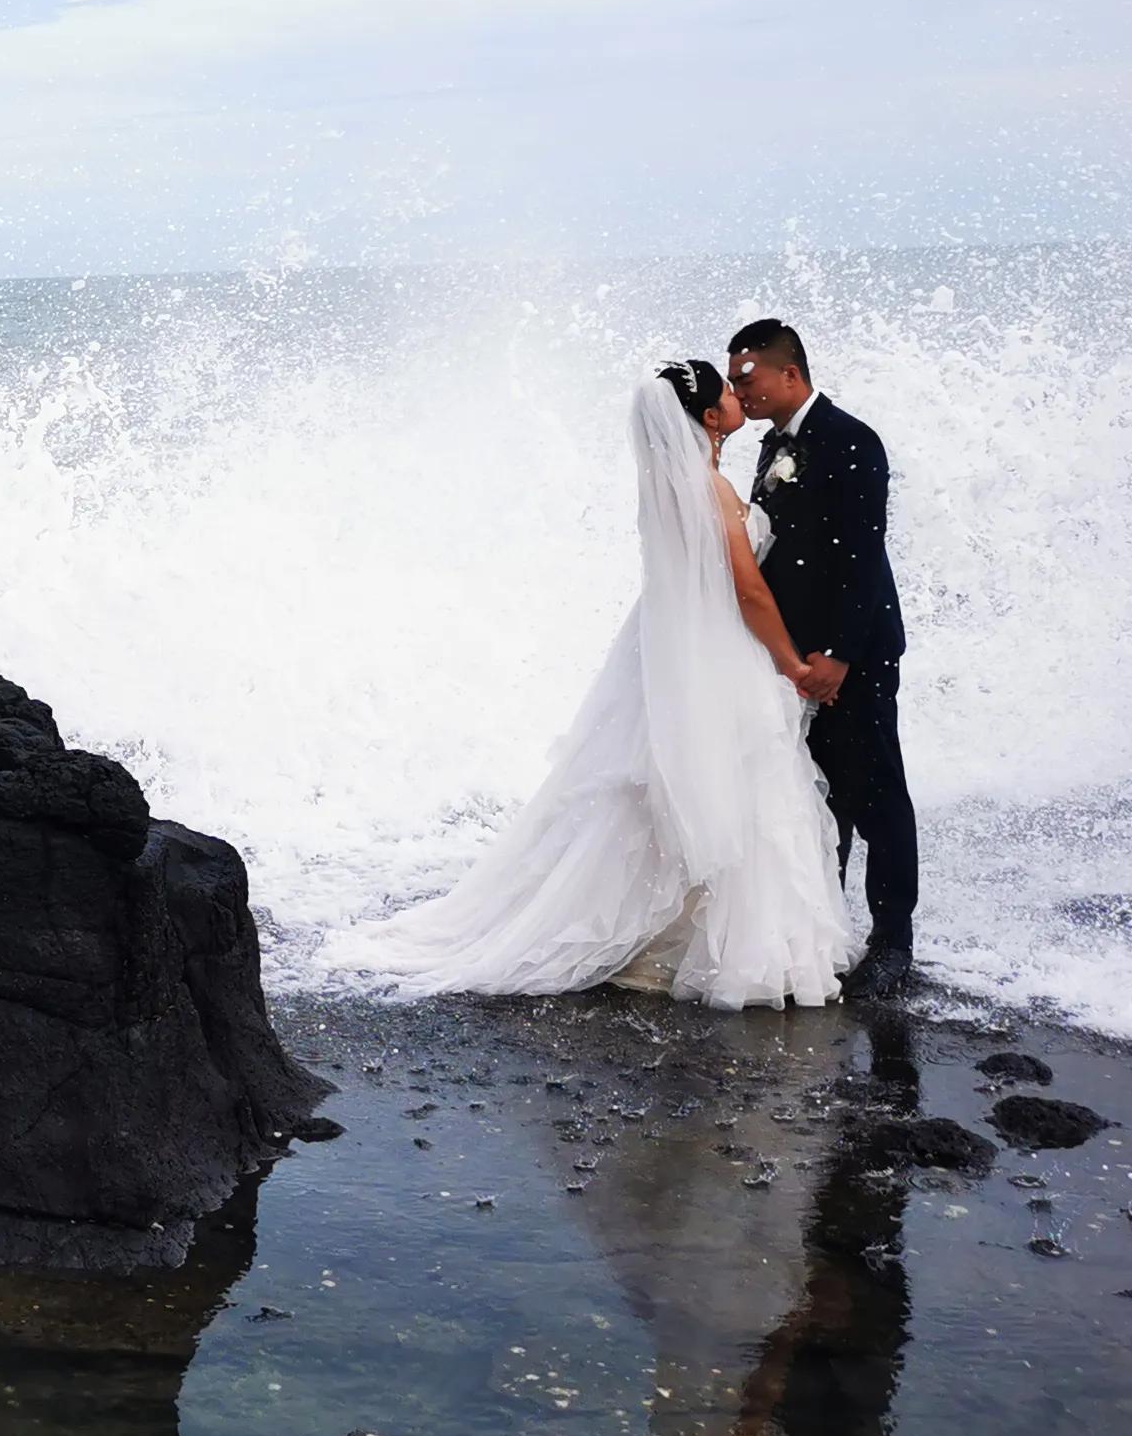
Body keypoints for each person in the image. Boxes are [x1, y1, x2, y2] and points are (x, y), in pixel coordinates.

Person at [323, 361, 858, 1007]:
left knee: (676, 782)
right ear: (710, 418)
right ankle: (703, 940)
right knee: (733, 783)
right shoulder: (709, 490)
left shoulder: (668, 484)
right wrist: (792, 663)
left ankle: (669, 930)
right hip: (718, 649)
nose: (736, 392)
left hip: (670, 647)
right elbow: (746, 589)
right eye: (726, 388)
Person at [727, 318, 916, 1001]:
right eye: (733, 378)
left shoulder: (852, 439)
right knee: (816, 797)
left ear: (790, 373)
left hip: (853, 653)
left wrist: (836, 653)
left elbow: (863, 558)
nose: (739, 389)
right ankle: (824, 933)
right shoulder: (770, 448)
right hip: (796, 663)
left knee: (876, 794)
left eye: (748, 376)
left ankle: (893, 942)